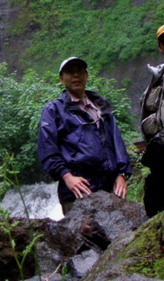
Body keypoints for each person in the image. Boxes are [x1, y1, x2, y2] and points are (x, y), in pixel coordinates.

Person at [38, 57, 132, 215]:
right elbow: (47, 149)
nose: (76, 75)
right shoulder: (53, 110)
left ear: (86, 76)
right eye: (70, 72)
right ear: (62, 79)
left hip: (110, 188)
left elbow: (117, 142)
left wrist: (122, 174)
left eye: (80, 71)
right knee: (83, 237)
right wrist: (67, 177)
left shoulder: (101, 106)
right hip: (78, 190)